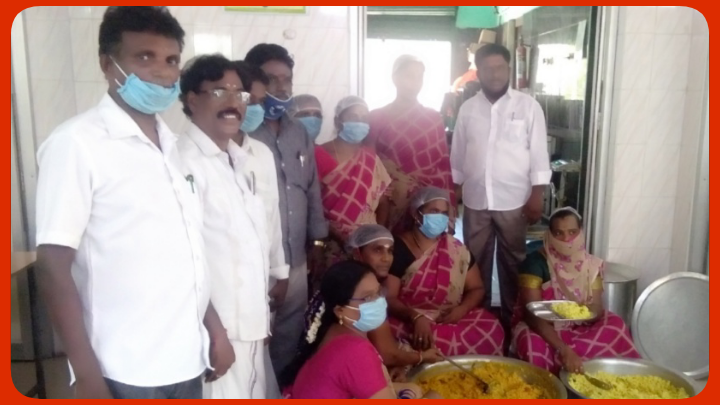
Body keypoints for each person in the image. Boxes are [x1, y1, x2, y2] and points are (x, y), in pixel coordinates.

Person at [34, 7, 230, 399]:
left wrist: (215, 329)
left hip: (186, 358)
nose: (162, 71)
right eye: (144, 57)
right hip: (122, 366)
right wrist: (86, 375)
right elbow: (53, 266)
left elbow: (186, 254)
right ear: (108, 64)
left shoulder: (172, 147)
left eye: (171, 60)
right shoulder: (77, 144)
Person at [178, 54, 283, 399]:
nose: (233, 102)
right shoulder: (184, 163)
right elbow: (184, 261)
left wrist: (259, 316)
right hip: (217, 331)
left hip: (246, 326)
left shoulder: (234, 161)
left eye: (240, 94)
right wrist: (216, 332)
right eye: (220, 91)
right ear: (192, 99)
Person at [451, 44, 552, 332]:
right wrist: (453, 196)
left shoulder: (528, 106)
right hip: (476, 200)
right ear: (478, 72)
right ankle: (479, 325)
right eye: (488, 68)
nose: (494, 74)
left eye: (500, 68)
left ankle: (513, 322)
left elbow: (539, 154)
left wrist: (537, 195)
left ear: (508, 69)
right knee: (474, 262)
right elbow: (458, 155)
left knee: (513, 263)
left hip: (515, 201)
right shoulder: (468, 109)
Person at [245, 43, 330, 380]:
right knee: (255, 333)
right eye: (271, 79)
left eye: (287, 79)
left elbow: (311, 188)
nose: (281, 88)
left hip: (296, 255)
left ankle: (281, 388)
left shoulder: (298, 132)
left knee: (289, 330)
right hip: (256, 260)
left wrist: (318, 241)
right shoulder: (242, 131)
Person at [281, 261, 440, 399]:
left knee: (413, 389)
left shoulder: (334, 331)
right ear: (340, 310)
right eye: (368, 297)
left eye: (379, 292)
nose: (379, 301)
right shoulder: (354, 351)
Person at [512, 208, 641, 374]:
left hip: (581, 325)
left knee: (616, 326)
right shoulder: (535, 263)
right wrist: (563, 349)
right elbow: (532, 316)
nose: (566, 239)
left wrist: (579, 313)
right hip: (544, 327)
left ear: (580, 232)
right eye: (559, 233)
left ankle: (612, 378)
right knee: (533, 347)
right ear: (549, 234)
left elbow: (596, 307)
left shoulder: (590, 265)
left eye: (572, 232)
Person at [386, 187, 505, 357]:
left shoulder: (456, 249)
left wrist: (462, 309)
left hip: (448, 315)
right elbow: (389, 297)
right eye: (434, 211)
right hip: (409, 317)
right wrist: (416, 318)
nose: (440, 217)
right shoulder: (398, 248)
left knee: (491, 328)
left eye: (444, 213)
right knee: (398, 333)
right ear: (416, 213)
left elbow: (477, 288)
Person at [233, 59, 287, 399]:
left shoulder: (261, 153)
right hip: (225, 289)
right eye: (248, 100)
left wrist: (279, 271)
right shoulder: (189, 156)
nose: (254, 109)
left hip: (260, 279)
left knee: (257, 368)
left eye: (259, 102)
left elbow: (272, 218)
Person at [367, 55, 456, 232]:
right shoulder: (376, 117)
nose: (415, 82)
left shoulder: (432, 118)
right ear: (395, 78)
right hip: (388, 202)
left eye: (419, 77)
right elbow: (368, 162)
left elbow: (442, 166)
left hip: (426, 204)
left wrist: (448, 205)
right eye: (409, 76)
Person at [346, 225, 442, 377]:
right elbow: (388, 354)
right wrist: (423, 357)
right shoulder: (365, 289)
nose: (386, 258)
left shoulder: (345, 274)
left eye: (390, 251)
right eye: (378, 250)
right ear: (358, 253)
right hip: (347, 367)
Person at [314, 96, 392, 276]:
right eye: (353, 117)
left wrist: (375, 236)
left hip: (368, 244)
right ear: (337, 121)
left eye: (364, 118)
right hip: (330, 241)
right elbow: (312, 204)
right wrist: (333, 235)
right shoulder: (319, 153)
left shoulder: (371, 158)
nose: (359, 122)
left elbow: (384, 202)